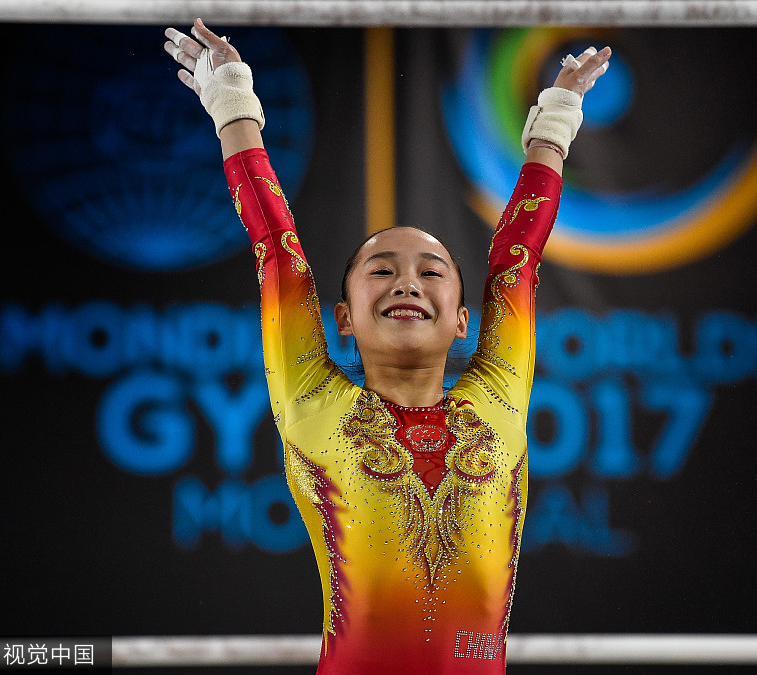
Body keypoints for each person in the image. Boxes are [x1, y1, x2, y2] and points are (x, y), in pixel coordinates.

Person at [164, 18, 610, 675]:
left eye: (431, 272)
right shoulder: (314, 401)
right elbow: (278, 254)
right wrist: (232, 101)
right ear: (342, 317)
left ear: (465, 318)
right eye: (382, 270)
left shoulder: (498, 395)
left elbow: (518, 261)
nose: (407, 280)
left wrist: (555, 122)